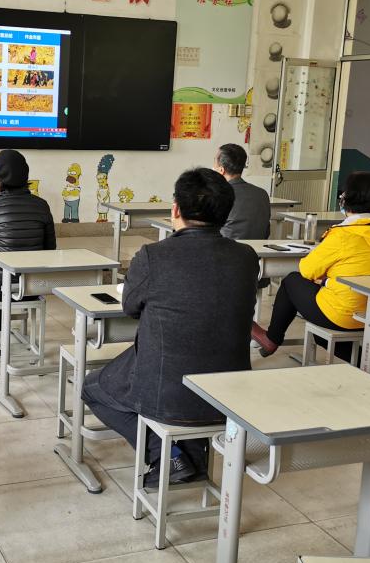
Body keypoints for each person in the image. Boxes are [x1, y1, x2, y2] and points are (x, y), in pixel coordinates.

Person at [82, 168, 259, 485]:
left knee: (92, 388)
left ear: (175, 209)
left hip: (168, 393)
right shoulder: (246, 257)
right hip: (230, 393)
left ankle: (167, 457)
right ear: (226, 213)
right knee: (185, 365)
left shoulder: (154, 256)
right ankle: (190, 458)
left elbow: (130, 308)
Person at [251, 171, 370, 361]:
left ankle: (272, 338)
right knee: (320, 324)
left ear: (348, 198)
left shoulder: (343, 234)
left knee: (292, 281)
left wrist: (324, 278)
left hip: (345, 313)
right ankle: (368, 366)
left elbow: (306, 270)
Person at [0, 149, 56, 356]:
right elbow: (51, 248)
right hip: (35, 285)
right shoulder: (42, 205)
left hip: (1, 285)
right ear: (26, 174)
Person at [214, 143, 271, 240]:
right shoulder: (262, 194)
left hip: (226, 247)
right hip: (256, 249)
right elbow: (266, 232)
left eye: (214, 162)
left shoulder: (219, 195)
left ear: (221, 170)